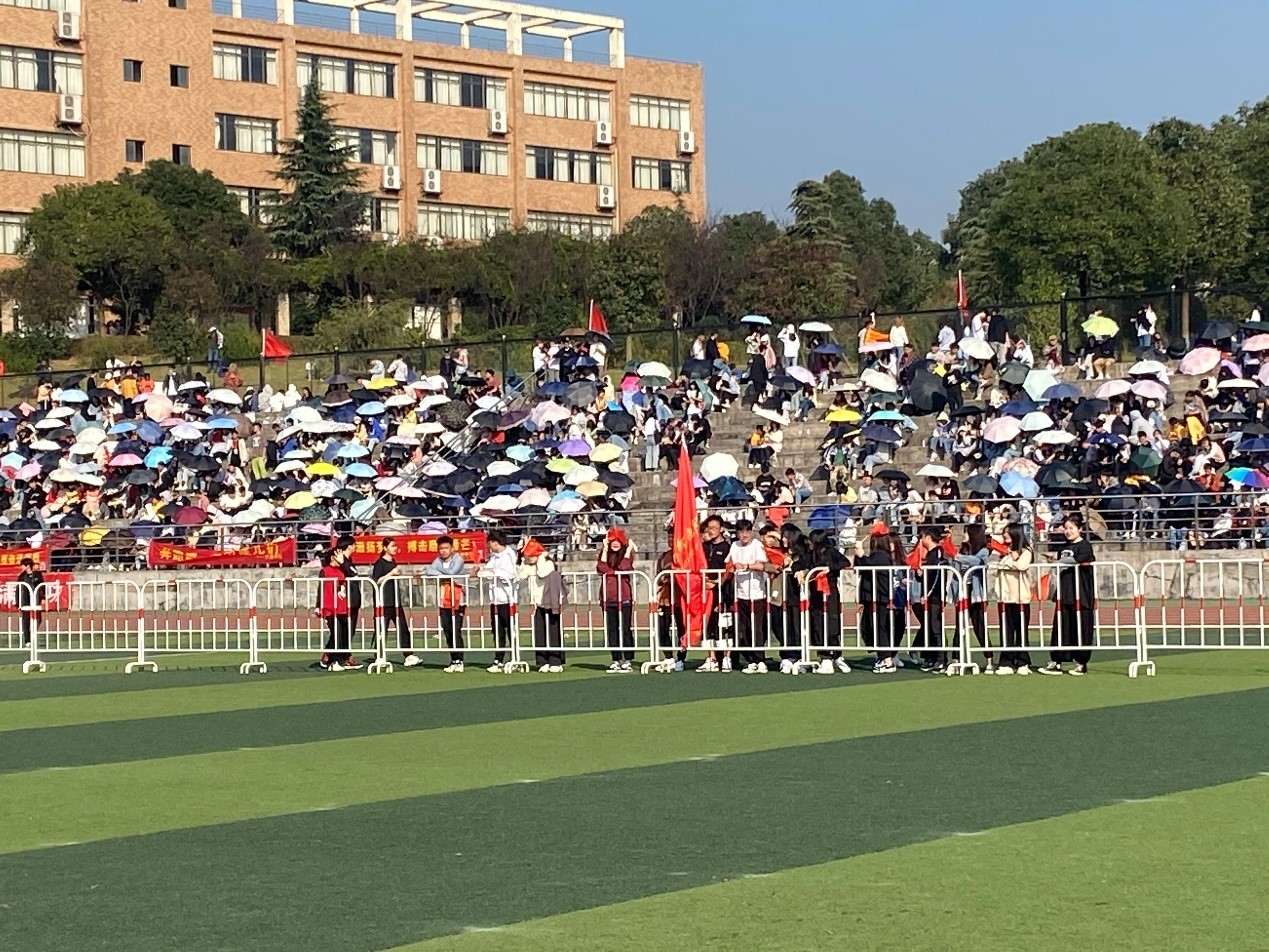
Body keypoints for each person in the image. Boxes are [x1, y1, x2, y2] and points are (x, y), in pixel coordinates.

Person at [1040, 514, 1096, 676]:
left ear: (1080, 529)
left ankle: (1081, 662)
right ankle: (1057, 661)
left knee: (1081, 627)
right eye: (1066, 528)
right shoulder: (1063, 547)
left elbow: (1080, 559)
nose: (1068, 531)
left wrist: (1060, 562)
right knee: (1061, 627)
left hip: (1081, 594)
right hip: (1065, 594)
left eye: (1071, 528)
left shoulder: (1085, 546)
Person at [725, 519, 771, 674]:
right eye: (741, 532)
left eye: (747, 531)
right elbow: (728, 563)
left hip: (756, 593)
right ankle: (750, 659)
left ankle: (760, 659)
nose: (744, 535)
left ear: (751, 532)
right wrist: (733, 567)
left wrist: (746, 566)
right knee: (742, 629)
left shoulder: (757, 545)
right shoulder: (734, 546)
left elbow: (761, 564)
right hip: (740, 594)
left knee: (756, 628)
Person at [517, 538, 567, 672]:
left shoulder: (548, 563)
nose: (530, 558)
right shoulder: (528, 565)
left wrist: (540, 558)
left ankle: (555, 661)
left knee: (553, 631)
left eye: (532, 555)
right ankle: (542, 661)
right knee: (539, 632)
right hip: (538, 603)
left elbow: (542, 573)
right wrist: (521, 560)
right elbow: (520, 575)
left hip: (550, 602)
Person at [990, 525, 1034, 675]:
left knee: (1021, 630)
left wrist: (1009, 560)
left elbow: (1022, 565)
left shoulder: (1026, 551)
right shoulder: (1000, 550)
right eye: (1004, 532)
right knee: (1006, 630)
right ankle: (1006, 662)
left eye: (1008, 532)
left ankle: (1023, 661)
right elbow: (992, 564)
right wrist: (1007, 556)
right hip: (1004, 596)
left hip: (1020, 597)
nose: (1005, 535)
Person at [372, 538, 419, 667]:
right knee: (381, 629)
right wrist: (391, 573)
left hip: (395, 601)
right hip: (383, 601)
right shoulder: (379, 563)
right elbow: (376, 580)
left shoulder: (393, 562)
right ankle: (379, 656)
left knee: (403, 628)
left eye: (395, 546)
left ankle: (408, 655)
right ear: (385, 548)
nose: (395, 548)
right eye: (392, 546)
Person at [856, 528, 897, 673]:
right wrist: (859, 556)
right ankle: (882, 657)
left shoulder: (881, 555)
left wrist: (861, 555)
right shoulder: (878, 555)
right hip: (872, 596)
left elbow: (868, 566)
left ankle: (887, 659)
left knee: (879, 627)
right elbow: (861, 568)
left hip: (879, 596)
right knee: (871, 626)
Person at [426, 535, 468, 673]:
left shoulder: (458, 559)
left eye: (446, 548)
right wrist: (443, 575)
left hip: (458, 600)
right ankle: (453, 659)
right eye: (441, 548)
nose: (443, 551)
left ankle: (459, 660)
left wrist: (440, 573)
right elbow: (429, 571)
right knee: (447, 630)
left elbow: (452, 572)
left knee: (456, 630)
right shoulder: (437, 561)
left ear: (452, 549)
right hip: (444, 600)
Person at [476, 532, 517, 672]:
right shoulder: (494, 557)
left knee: (510, 630)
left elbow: (510, 574)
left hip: (508, 599)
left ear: (495, 542)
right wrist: (482, 571)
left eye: (490, 543)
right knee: (497, 631)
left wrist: (495, 572)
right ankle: (498, 660)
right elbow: (487, 571)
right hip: (495, 600)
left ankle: (514, 657)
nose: (489, 546)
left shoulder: (509, 555)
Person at [597, 527, 636, 672]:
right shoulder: (605, 554)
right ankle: (616, 659)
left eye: (617, 540)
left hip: (624, 598)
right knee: (612, 630)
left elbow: (624, 567)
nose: (615, 543)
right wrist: (605, 549)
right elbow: (601, 568)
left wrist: (629, 549)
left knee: (625, 629)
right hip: (609, 599)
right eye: (612, 540)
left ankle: (628, 659)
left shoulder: (626, 555)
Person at [318, 543, 359, 671]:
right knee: (336, 634)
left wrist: (343, 563)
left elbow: (354, 575)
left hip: (343, 607)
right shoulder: (325, 571)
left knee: (345, 634)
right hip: (330, 608)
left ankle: (340, 659)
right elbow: (321, 589)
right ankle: (334, 661)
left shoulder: (343, 569)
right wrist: (318, 606)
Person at [16, 556, 44, 649]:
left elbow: (42, 586)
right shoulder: (21, 577)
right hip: (25, 601)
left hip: (36, 600)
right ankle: (27, 641)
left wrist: (43, 597)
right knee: (26, 620)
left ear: (27, 565)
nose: (21, 567)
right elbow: (18, 590)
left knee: (38, 619)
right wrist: (18, 603)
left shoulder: (38, 575)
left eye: (22, 565)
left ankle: (33, 635)